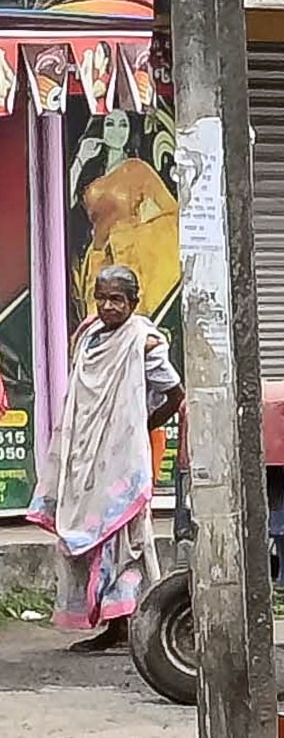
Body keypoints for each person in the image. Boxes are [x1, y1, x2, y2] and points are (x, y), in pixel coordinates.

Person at [51, 265, 177, 648]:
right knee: (88, 536)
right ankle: (111, 624)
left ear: (134, 303)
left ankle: (131, 624)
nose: (107, 306)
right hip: (87, 456)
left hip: (124, 460)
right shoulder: (88, 337)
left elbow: (174, 394)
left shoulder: (144, 342)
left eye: (117, 299)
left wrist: (139, 427)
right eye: (101, 298)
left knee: (127, 541)